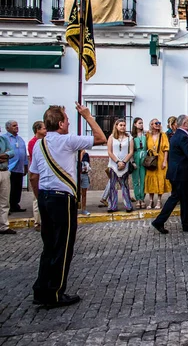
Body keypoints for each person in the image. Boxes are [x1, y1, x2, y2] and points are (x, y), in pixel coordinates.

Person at [30, 103, 106, 307]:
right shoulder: (67, 140)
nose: (70, 122)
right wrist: (88, 116)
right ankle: (55, 293)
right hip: (62, 199)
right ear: (61, 123)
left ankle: (40, 289)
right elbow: (101, 138)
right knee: (63, 247)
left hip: (45, 197)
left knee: (48, 246)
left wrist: (39, 198)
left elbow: (33, 176)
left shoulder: (39, 144)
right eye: (67, 119)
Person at [152, 115, 188, 234]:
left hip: (178, 173)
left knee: (177, 198)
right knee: (183, 199)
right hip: (181, 174)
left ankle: (176, 222)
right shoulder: (182, 136)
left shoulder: (179, 135)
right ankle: (176, 223)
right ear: (184, 123)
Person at [106, 119, 134, 213]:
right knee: (112, 186)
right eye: (121, 125)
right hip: (114, 165)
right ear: (116, 126)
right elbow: (110, 151)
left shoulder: (129, 138)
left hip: (124, 165)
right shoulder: (111, 137)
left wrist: (124, 162)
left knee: (125, 185)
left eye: (124, 125)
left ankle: (128, 205)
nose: (123, 127)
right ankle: (112, 206)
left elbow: (131, 152)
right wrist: (118, 162)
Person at [3, 120, 28, 213]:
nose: (16, 127)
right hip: (10, 168)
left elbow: (24, 153)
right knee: (8, 189)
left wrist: (25, 166)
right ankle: (7, 207)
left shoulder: (20, 139)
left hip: (19, 168)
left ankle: (15, 205)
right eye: (14, 126)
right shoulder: (4, 138)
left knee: (17, 188)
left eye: (17, 125)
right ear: (7, 128)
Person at [145, 118, 170, 209]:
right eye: (155, 123)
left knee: (160, 180)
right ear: (151, 125)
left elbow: (166, 149)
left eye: (159, 123)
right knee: (150, 180)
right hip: (151, 160)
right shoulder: (148, 135)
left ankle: (159, 201)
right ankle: (151, 200)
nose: (158, 124)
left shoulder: (163, 135)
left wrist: (164, 161)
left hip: (160, 159)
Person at [28, 121, 47, 230]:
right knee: (36, 198)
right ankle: (37, 222)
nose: (46, 130)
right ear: (37, 130)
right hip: (37, 171)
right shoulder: (33, 142)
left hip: (44, 172)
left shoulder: (44, 141)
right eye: (44, 128)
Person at [0, 126, 15, 234]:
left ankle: (3, 226)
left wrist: (4, 155)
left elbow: (12, 152)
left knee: (4, 201)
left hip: (4, 171)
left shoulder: (3, 139)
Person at [131, 117, 147, 209]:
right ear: (135, 124)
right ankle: (137, 198)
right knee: (136, 180)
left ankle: (142, 198)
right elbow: (131, 151)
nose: (141, 124)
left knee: (144, 179)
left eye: (142, 123)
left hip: (144, 157)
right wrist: (132, 161)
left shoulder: (145, 135)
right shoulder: (132, 136)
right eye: (139, 123)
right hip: (136, 156)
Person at [79, 151, 91, 216]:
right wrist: (81, 154)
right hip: (78, 175)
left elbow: (89, 164)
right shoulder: (76, 153)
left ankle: (84, 209)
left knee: (84, 194)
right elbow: (78, 163)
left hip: (84, 174)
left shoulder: (86, 155)